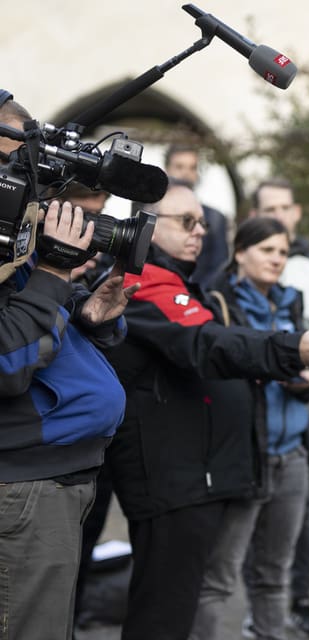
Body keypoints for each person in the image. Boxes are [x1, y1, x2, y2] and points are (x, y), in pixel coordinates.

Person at [104, 179, 309, 640]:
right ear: (146, 226)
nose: (199, 231)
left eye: (202, 222)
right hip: (169, 481)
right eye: (186, 221)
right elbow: (205, 343)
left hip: (193, 478)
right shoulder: (144, 280)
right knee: (165, 613)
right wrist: (291, 348)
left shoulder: (175, 279)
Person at [0, 91, 137, 640]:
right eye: (12, 159)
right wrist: (57, 275)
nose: (23, 172)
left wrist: (88, 318)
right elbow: (8, 363)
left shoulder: (15, 235)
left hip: (54, 481)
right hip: (21, 488)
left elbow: (34, 331)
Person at [189, 217, 309, 640]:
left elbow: (302, 382)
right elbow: (212, 371)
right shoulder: (217, 302)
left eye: (283, 251)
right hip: (244, 455)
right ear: (240, 251)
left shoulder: (291, 302)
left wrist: (306, 381)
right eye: (267, 250)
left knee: (274, 575)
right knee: (219, 578)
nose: (277, 259)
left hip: (292, 455)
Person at [248, 178, 309, 638]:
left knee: (302, 510)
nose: (279, 215)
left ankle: (299, 601)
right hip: (254, 413)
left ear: (297, 212)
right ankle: (255, 606)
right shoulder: (240, 271)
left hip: (307, 409)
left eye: (285, 207)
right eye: (270, 208)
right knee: (250, 506)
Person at [164, 144, 230, 288]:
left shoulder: (214, 218)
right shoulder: (152, 212)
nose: (186, 173)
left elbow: (219, 266)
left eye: (192, 167)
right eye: (179, 167)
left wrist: (196, 295)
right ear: (166, 170)